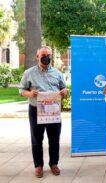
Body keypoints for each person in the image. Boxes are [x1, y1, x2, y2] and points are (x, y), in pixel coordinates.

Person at [19, 46, 67, 178]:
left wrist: (64, 92)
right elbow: (21, 90)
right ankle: (38, 166)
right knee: (36, 140)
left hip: (53, 111)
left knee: (54, 140)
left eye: (48, 55)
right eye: (43, 55)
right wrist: (30, 93)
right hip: (36, 110)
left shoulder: (57, 73)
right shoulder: (29, 73)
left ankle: (54, 164)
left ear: (51, 56)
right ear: (37, 57)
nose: (46, 58)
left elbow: (64, 89)